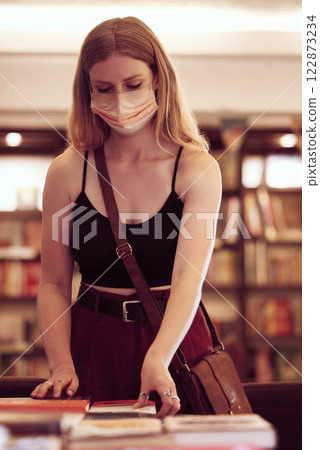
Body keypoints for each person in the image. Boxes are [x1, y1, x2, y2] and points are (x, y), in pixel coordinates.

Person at [31, 16, 221, 418]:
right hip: (93, 340)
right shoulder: (67, 171)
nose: (119, 100)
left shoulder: (195, 167)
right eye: (103, 89)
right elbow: (53, 282)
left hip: (174, 336)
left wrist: (159, 354)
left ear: (157, 79)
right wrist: (61, 362)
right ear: (88, 93)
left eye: (132, 85)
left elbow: (190, 279)